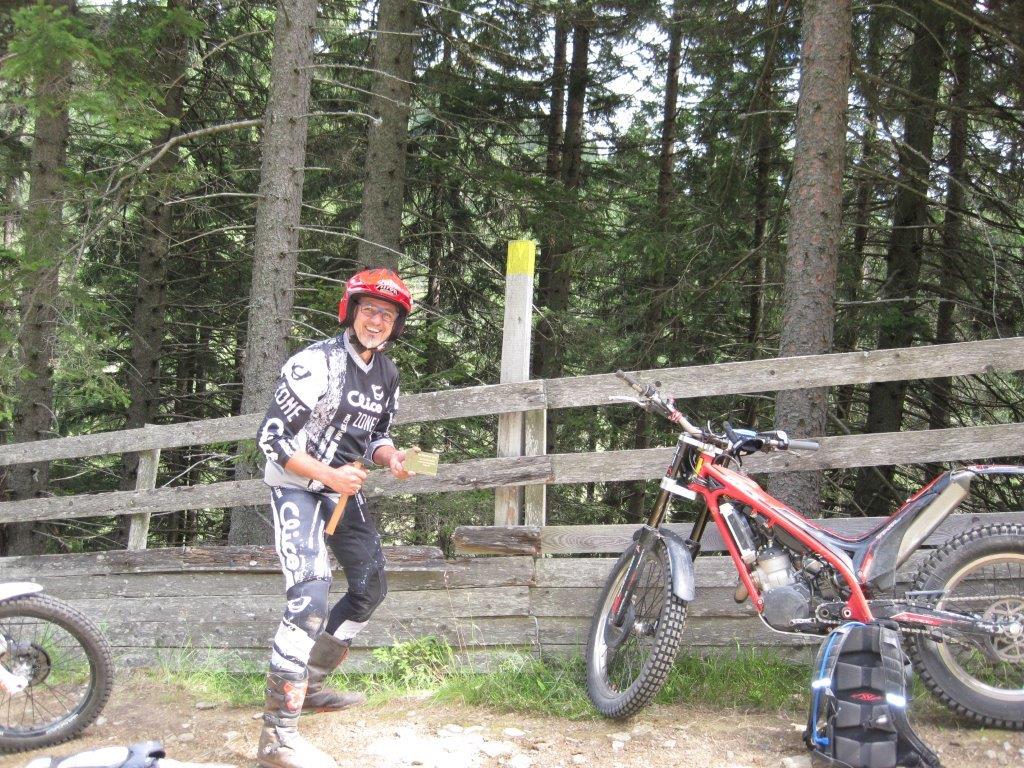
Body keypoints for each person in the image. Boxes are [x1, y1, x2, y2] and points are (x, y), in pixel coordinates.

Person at [254, 268, 415, 768]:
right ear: (351, 311)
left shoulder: (386, 373)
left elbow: (376, 434)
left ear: (395, 325)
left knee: (370, 588)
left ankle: (311, 683)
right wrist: (329, 475)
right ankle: (276, 736)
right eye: (369, 310)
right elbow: (272, 439)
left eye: (386, 315)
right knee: (309, 597)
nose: (376, 321)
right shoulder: (314, 363)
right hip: (297, 486)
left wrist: (390, 457)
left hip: (341, 492)